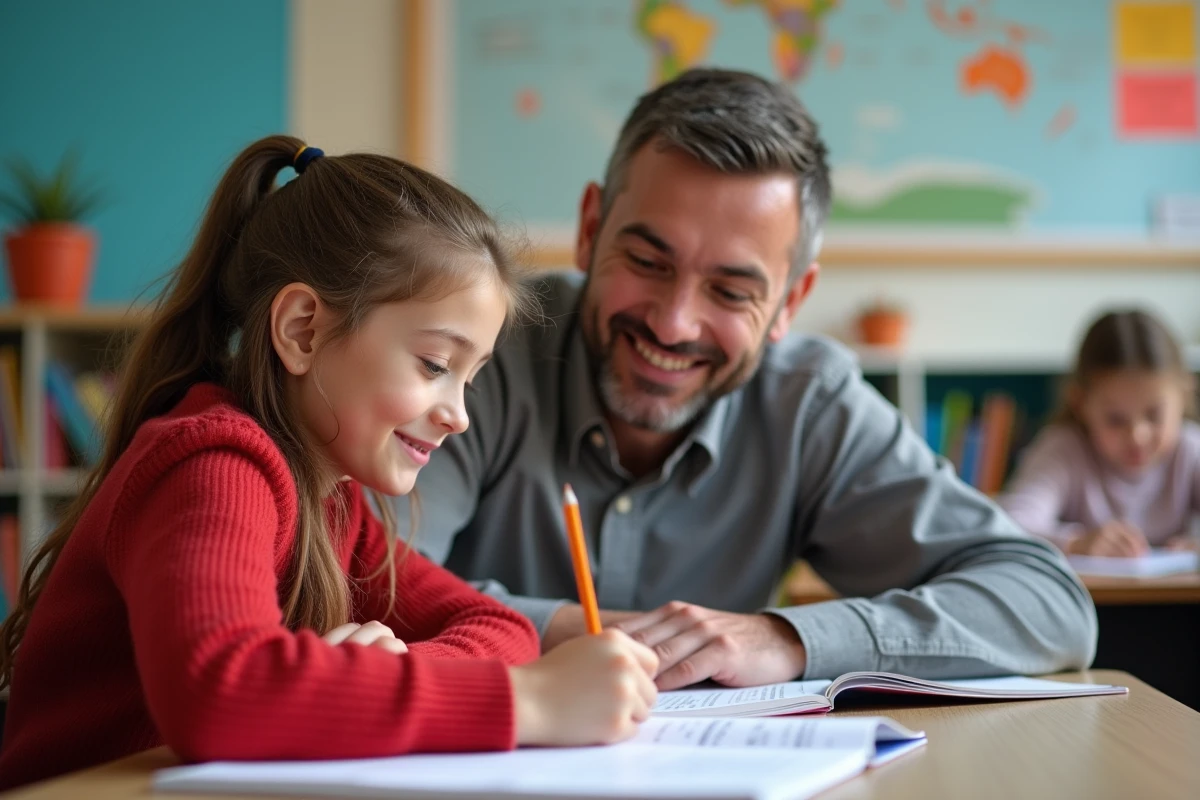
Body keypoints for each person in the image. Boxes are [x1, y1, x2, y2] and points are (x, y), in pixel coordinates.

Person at [396, 68, 1098, 690]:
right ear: (590, 228)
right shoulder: (476, 354)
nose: (673, 324)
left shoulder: (811, 405)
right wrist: (583, 636)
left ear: (791, 302)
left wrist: (788, 639)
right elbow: (359, 575)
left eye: (731, 292)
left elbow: (1048, 605)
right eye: (647, 261)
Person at [0, 136, 657, 791]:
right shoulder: (211, 462)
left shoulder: (333, 500)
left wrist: (357, 682)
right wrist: (530, 702)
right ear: (302, 331)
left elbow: (499, 626)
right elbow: (221, 697)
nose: (458, 413)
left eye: (470, 378)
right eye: (434, 365)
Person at [1000, 309, 1200, 557]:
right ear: (1080, 403)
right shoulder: (1063, 449)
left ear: (1183, 395)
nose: (1137, 435)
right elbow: (1010, 525)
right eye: (1115, 419)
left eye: (1154, 415)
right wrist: (1076, 543)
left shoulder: (1190, 450)